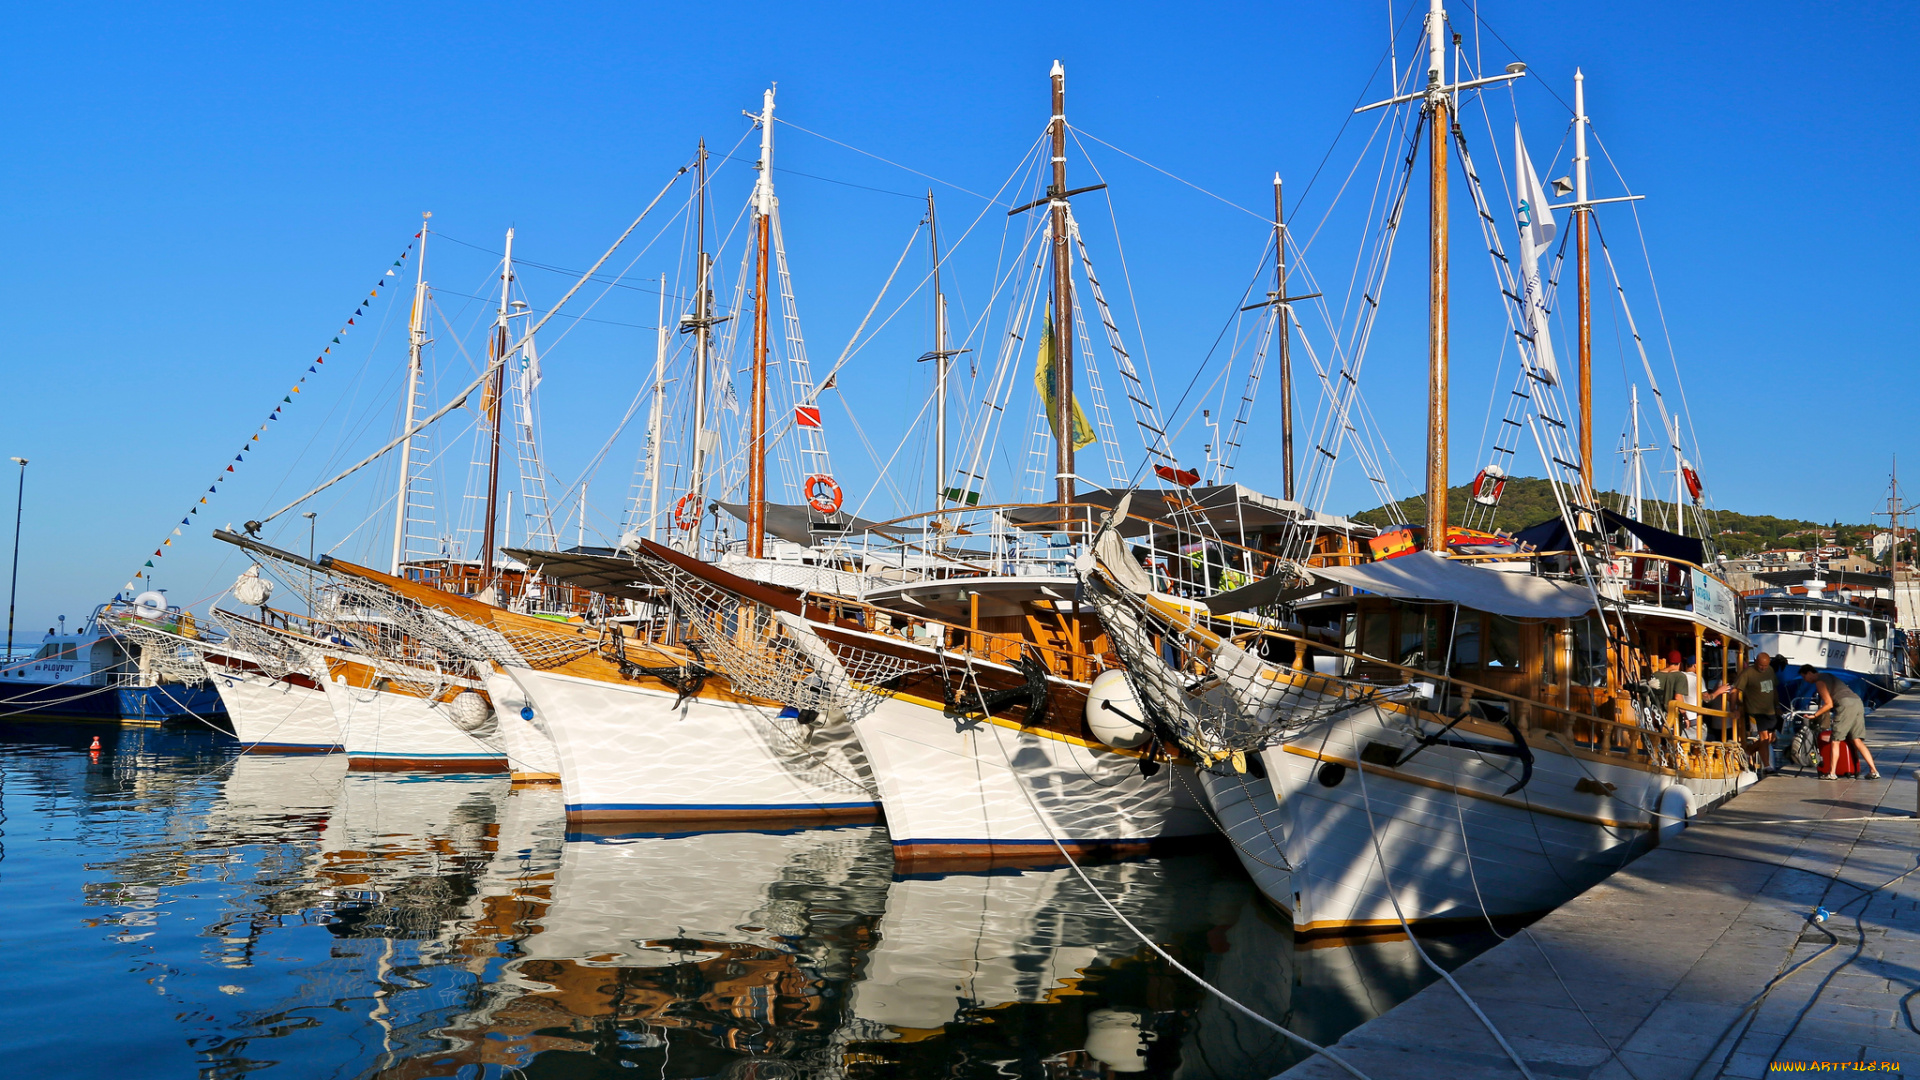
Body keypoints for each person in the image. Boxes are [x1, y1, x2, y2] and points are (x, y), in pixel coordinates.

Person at [1799, 664, 1880, 781]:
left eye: (1804, 677)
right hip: (1857, 702)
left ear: (1809, 673)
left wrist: (1814, 715)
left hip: (1845, 705)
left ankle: (1832, 773)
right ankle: (1874, 770)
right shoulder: (1828, 676)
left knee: (1835, 740)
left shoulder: (1819, 681)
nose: (1805, 680)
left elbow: (1828, 704)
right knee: (1857, 740)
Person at [1709, 652, 1780, 770]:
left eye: (1766, 665)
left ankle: (1748, 751)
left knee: (1771, 738)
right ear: (1756, 661)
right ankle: (1767, 766)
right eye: (1761, 665)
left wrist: (1777, 706)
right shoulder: (1748, 673)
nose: (1763, 668)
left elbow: (1774, 689)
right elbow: (1735, 690)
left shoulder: (1770, 671)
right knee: (1764, 737)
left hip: (1770, 710)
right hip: (1756, 710)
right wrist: (1733, 709)